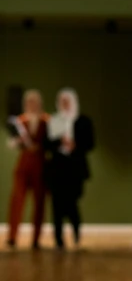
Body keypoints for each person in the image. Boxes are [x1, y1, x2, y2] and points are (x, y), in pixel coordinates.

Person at [47, 89, 95, 249]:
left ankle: (76, 233)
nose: (64, 105)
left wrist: (75, 145)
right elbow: (47, 145)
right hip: (57, 169)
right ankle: (58, 239)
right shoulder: (54, 121)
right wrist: (59, 143)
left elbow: (90, 143)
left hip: (75, 169)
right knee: (56, 206)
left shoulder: (83, 121)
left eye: (67, 101)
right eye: (62, 101)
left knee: (72, 204)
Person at [6, 89, 48, 249]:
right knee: (17, 201)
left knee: (40, 203)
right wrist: (18, 141)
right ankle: (12, 236)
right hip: (23, 166)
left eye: (35, 102)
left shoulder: (46, 120)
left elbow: (52, 142)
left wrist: (40, 146)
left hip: (41, 166)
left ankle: (36, 239)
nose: (32, 105)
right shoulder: (19, 121)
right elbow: (11, 143)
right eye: (29, 102)